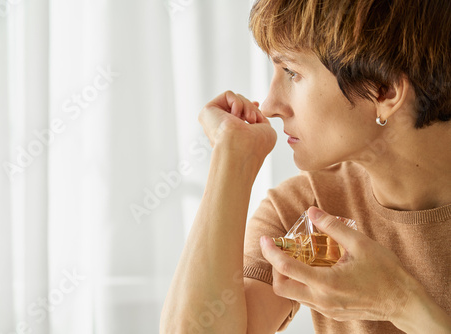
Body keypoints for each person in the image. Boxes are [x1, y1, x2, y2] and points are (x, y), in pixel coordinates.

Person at [160, 0, 451, 332]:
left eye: (292, 72)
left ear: (384, 90)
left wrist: (399, 302)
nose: (268, 105)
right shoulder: (308, 208)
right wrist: (232, 156)